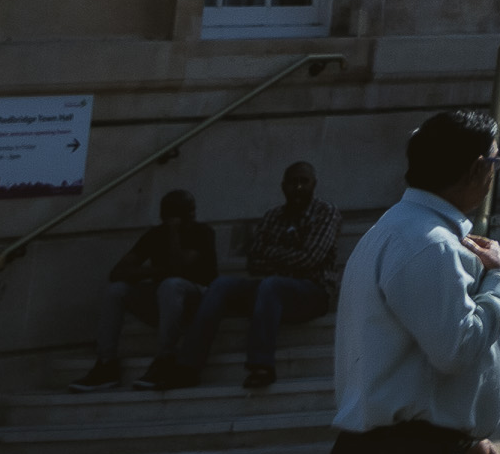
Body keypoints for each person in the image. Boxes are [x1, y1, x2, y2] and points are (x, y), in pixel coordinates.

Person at [324, 109, 500, 454]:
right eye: (494, 162)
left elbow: (412, 362)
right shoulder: (429, 244)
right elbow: (457, 348)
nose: (494, 171)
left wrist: (462, 437)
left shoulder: (395, 230)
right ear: (476, 170)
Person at [151, 160, 346, 391]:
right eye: (293, 182)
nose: (298, 187)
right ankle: (187, 366)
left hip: (313, 291)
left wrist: (273, 257)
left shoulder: (327, 213)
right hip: (271, 290)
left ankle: (261, 365)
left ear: (314, 184)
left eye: (304, 181)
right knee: (222, 284)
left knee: (271, 284)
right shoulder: (273, 216)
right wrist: (288, 258)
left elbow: (310, 258)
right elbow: (254, 261)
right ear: (283, 186)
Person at [70, 188, 217, 391]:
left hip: (197, 301)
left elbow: (178, 270)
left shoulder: (203, 233)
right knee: (117, 290)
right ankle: (106, 364)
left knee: (170, 285)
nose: (192, 214)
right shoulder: (155, 235)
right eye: (186, 211)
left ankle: (165, 359)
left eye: (190, 210)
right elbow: (117, 272)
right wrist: (154, 270)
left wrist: (174, 233)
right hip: (164, 300)